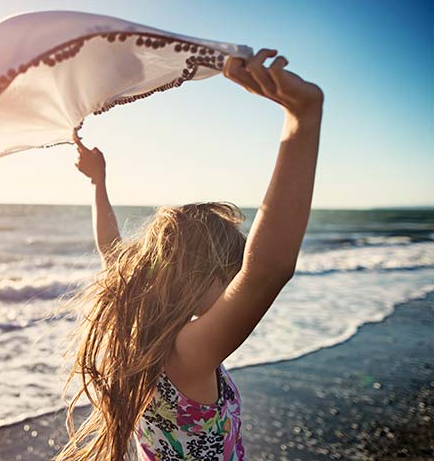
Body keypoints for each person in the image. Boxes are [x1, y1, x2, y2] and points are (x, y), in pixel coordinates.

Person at [58, 48, 324, 461]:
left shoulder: (142, 337)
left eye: (238, 273)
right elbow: (267, 269)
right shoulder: (188, 353)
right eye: (230, 274)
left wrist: (99, 182)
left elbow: (111, 249)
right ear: (199, 275)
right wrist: (302, 119)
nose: (237, 283)